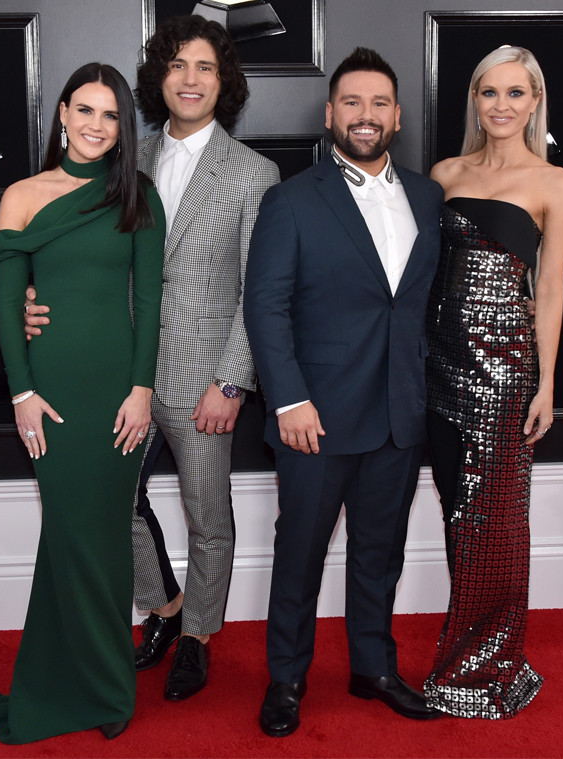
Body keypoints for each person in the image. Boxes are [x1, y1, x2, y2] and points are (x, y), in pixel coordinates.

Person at [24, 15, 279, 701]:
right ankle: (165, 607)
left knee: (207, 514)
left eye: (205, 67)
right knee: (115, 500)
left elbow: (261, 288)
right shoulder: (121, 158)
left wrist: (234, 379)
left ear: (223, 82)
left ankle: (197, 636)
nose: (190, 79)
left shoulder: (255, 173)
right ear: (159, 79)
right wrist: (32, 300)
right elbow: (69, 251)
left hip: (204, 374)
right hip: (118, 368)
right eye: (177, 66)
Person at [244, 47, 444, 738]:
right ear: (331, 114)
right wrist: (289, 399)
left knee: (379, 551)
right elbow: (264, 306)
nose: (366, 116)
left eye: (379, 103)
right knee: (299, 552)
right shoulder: (292, 199)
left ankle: (373, 667)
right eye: (353, 103)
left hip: (398, 412)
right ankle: (288, 678)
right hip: (315, 418)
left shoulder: (427, 196)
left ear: (397, 115)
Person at [0, 63, 164, 743]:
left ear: (123, 128)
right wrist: (21, 391)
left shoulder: (137, 195)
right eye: (85, 110)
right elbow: (5, 305)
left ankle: (107, 686)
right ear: (61, 113)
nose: (95, 125)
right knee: (68, 533)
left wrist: (142, 391)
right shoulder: (21, 195)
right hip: (49, 392)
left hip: (117, 393)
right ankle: (69, 679)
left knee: (103, 539)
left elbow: (151, 303)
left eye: (110, 116)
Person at [422, 46, 563, 719]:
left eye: (516, 93)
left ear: (535, 100)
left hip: (507, 375)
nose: (502, 106)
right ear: (475, 101)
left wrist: (545, 384)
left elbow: (550, 286)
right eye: (490, 93)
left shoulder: (555, 183)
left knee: (497, 523)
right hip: (437, 368)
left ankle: (488, 662)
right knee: (456, 516)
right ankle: (468, 641)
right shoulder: (445, 173)